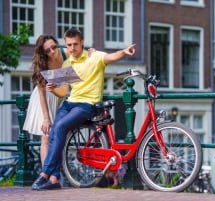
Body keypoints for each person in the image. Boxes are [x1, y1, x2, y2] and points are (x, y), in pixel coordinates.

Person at [31, 28, 136, 190]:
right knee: (53, 132)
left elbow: (111, 56)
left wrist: (124, 51)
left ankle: (44, 174)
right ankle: (54, 179)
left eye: (75, 44)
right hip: (69, 103)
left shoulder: (95, 57)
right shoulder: (67, 63)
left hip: (86, 105)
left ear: (82, 43)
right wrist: (52, 89)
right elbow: (64, 91)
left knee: (60, 127)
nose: (72, 48)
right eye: (69, 45)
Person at [23, 35, 95, 166]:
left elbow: (82, 51)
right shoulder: (42, 63)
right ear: (43, 52)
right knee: (46, 137)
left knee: (58, 136)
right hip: (44, 99)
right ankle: (46, 174)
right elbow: (41, 91)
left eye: (54, 47)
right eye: (47, 50)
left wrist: (92, 51)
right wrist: (46, 118)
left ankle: (56, 175)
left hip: (60, 98)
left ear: (58, 45)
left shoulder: (66, 52)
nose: (52, 51)